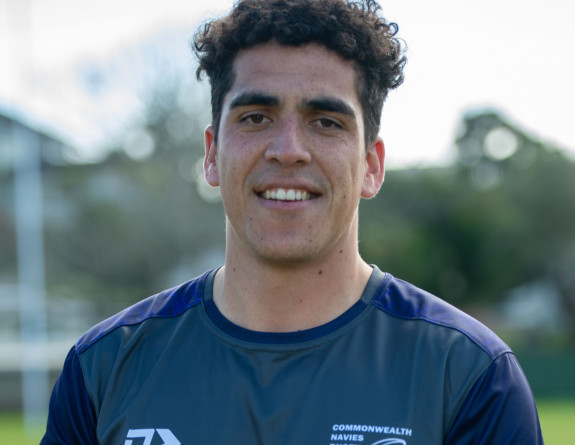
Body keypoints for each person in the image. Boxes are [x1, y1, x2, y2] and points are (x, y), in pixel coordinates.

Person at [42, 0, 544, 443]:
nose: (288, 151)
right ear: (213, 154)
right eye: (256, 117)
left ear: (371, 165)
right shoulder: (102, 370)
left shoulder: (470, 377)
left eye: (326, 122)